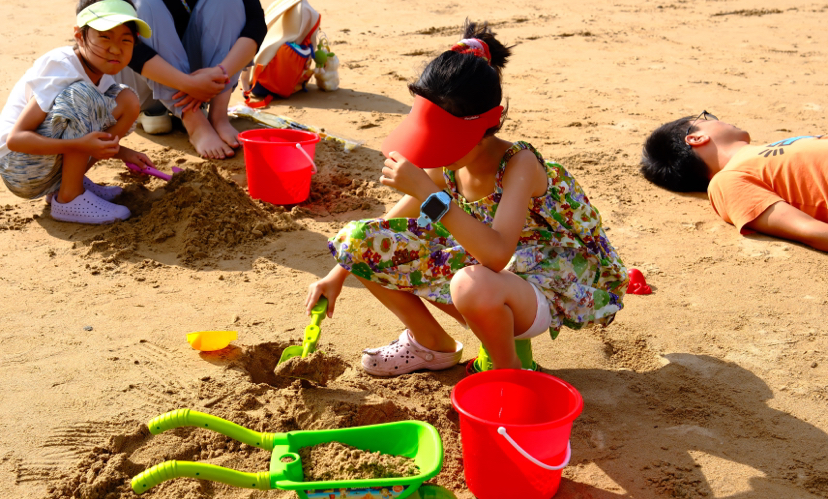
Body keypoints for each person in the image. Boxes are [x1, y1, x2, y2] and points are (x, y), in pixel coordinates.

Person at [305, 21, 628, 377]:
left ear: (486, 125)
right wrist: (338, 272)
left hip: (552, 282)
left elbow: (496, 254)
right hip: (494, 275)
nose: (437, 154)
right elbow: (385, 226)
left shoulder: (519, 164)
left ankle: (508, 373)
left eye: (445, 143)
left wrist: (428, 193)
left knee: (471, 285)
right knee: (357, 240)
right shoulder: (448, 165)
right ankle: (431, 344)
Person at [0, 0, 154, 225]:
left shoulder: (102, 75)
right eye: (105, 37)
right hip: (20, 168)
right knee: (84, 95)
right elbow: (16, 140)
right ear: (79, 36)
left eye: (126, 40)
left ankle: (69, 183)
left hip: (48, 163)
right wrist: (80, 145)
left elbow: (84, 132)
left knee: (127, 100)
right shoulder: (62, 66)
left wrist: (124, 153)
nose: (115, 49)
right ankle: (69, 198)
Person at [641, 112, 828, 251]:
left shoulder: (765, 152)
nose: (718, 119)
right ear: (696, 138)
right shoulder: (727, 180)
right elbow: (807, 229)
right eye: (706, 118)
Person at [116, 0, 267, 160]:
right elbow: (116, 39)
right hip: (137, 85)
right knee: (147, 4)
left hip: (204, 88)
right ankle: (195, 124)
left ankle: (218, 117)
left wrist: (221, 73)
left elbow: (256, 22)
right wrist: (187, 83)